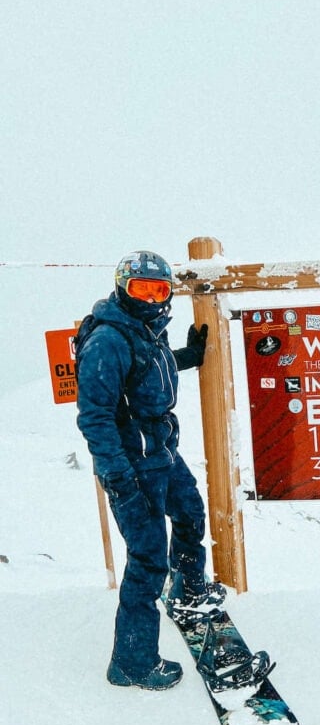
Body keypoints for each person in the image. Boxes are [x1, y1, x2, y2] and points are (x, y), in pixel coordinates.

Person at [76, 250, 224, 690]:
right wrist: (119, 479)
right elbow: (95, 416)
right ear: (123, 287)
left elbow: (149, 369)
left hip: (161, 450)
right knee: (146, 558)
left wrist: (189, 355)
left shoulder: (144, 331)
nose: (152, 298)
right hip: (132, 465)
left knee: (190, 513)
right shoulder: (109, 339)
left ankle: (189, 587)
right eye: (142, 288)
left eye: (160, 289)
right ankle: (132, 662)